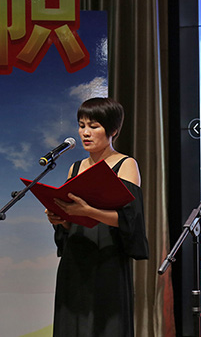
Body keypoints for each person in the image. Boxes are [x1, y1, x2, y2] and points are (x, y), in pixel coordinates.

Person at [45, 97, 149, 337]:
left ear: (113, 130)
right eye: (81, 125)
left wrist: (88, 211)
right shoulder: (75, 167)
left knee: (106, 324)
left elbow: (130, 220)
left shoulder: (125, 164)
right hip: (76, 252)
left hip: (108, 255)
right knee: (72, 323)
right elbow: (70, 218)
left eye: (94, 126)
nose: (85, 133)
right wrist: (60, 218)